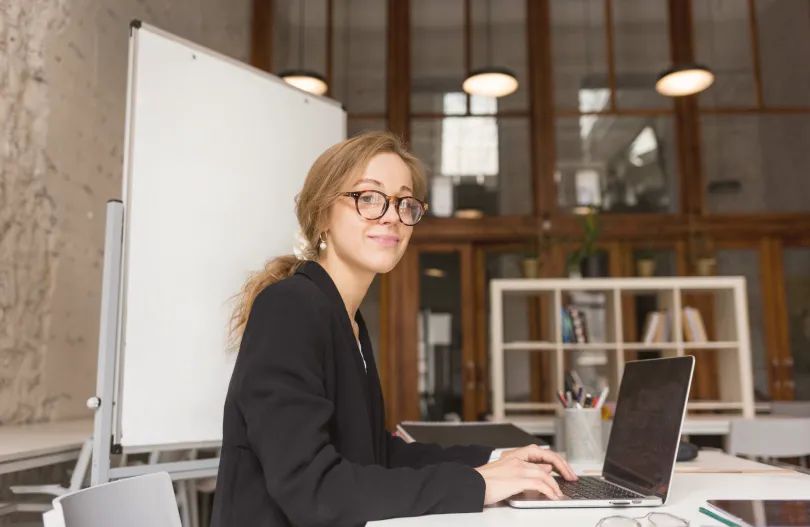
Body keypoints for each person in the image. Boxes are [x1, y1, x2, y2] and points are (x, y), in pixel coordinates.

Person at [210, 131, 577, 527]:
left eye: (405, 202)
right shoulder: (290, 306)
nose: (391, 215)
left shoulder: (344, 318)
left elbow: (374, 456)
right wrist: (477, 484)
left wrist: (495, 459)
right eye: (368, 197)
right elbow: (314, 490)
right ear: (321, 216)